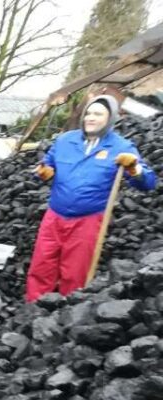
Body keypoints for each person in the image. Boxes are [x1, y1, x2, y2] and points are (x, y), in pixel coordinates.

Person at [26, 94, 157, 302]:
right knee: (41, 266)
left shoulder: (121, 147)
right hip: (54, 216)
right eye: (88, 113)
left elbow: (148, 183)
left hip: (88, 221)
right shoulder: (65, 140)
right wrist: (43, 171)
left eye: (98, 114)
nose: (91, 117)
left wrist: (134, 168)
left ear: (110, 119)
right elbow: (47, 163)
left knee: (75, 274)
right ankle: (32, 309)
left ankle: (65, 315)